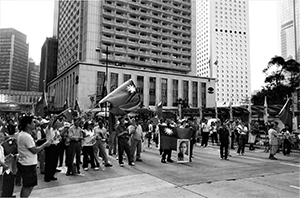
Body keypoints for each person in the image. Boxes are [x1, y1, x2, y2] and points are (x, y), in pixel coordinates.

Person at [17, 116, 51, 197]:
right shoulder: (26, 136)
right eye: (33, 122)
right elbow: (34, 150)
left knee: (30, 185)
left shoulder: (24, 134)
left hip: (27, 162)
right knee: (27, 186)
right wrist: (45, 144)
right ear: (28, 125)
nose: (35, 124)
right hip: (27, 164)